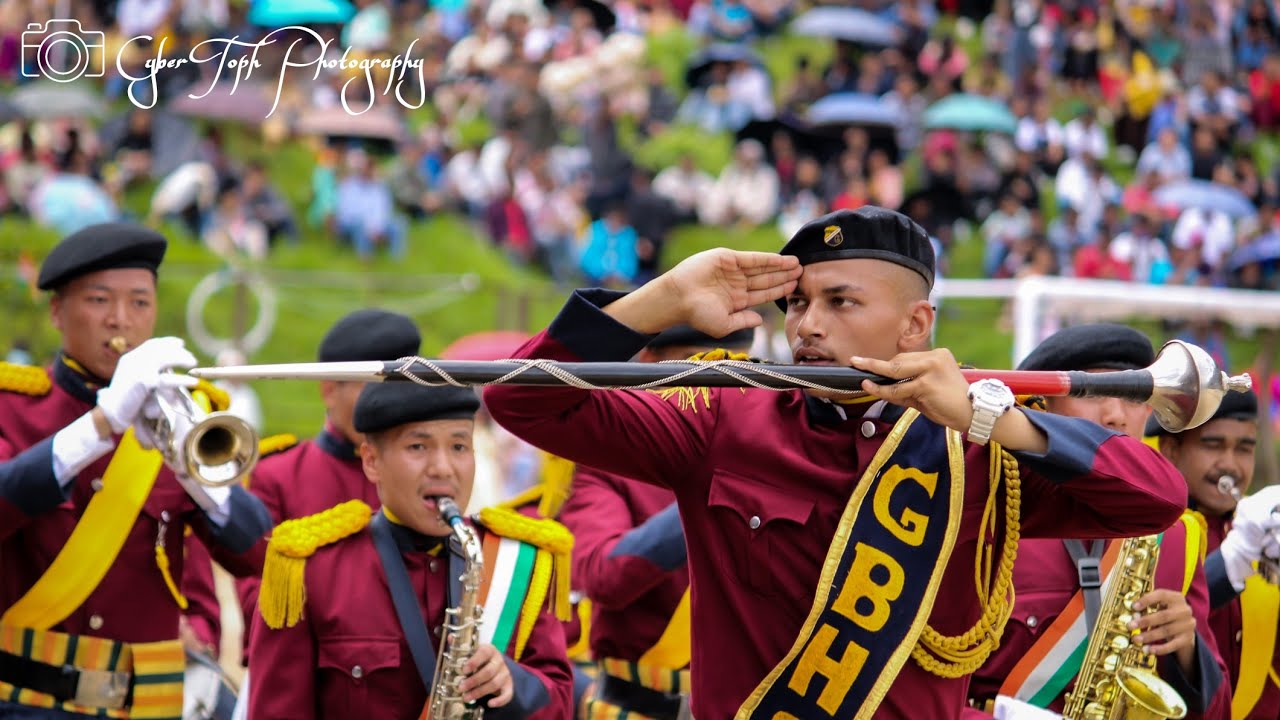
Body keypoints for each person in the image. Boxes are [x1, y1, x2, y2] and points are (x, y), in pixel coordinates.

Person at [483, 206, 1190, 717]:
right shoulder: (724, 412)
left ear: (917, 325)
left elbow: (1155, 498)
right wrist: (658, 299)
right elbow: (521, 400)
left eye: (839, 301)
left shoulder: (978, 446)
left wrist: (991, 416)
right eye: (796, 303)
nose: (806, 326)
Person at [0, 223, 272, 718]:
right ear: (58, 311)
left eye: (140, 303)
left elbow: (260, 556)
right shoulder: (12, 408)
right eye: (99, 300)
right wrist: (101, 424)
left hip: (148, 704)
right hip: (27, 701)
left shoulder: (185, 414)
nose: (119, 319)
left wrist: (200, 477)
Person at [247, 381, 576, 719]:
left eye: (460, 447)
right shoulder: (311, 570)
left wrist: (514, 685)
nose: (443, 468)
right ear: (372, 461)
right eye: (418, 447)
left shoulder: (518, 560)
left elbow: (560, 703)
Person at [968, 324, 1229, 719]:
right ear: (1043, 410)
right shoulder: (991, 503)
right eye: (1092, 394)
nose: (1115, 415)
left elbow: (1217, 712)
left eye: (1134, 397)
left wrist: (1188, 652)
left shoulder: (1176, 538)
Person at [561, 325, 754, 719]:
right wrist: (708, 492)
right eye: (700, 371)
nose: (719, 391)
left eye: (738, 372)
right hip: (638, 704)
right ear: (649, 365)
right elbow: (602, 576)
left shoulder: (767, 451)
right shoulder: (607, 457)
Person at [234, 309, 422, 702]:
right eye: (370, 385)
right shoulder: (278, 475)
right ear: (327, 389)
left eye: (397, 384)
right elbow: (260, 601)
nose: (387, 402)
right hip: (299, 684)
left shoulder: (423, 475)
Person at [1150, 387, 1280, 719]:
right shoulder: (1150, 533)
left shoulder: (1260, 526)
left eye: (1244, 449)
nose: (1230, 465)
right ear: (1170, 449)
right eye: (1213, 445)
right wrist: (1234, 560)